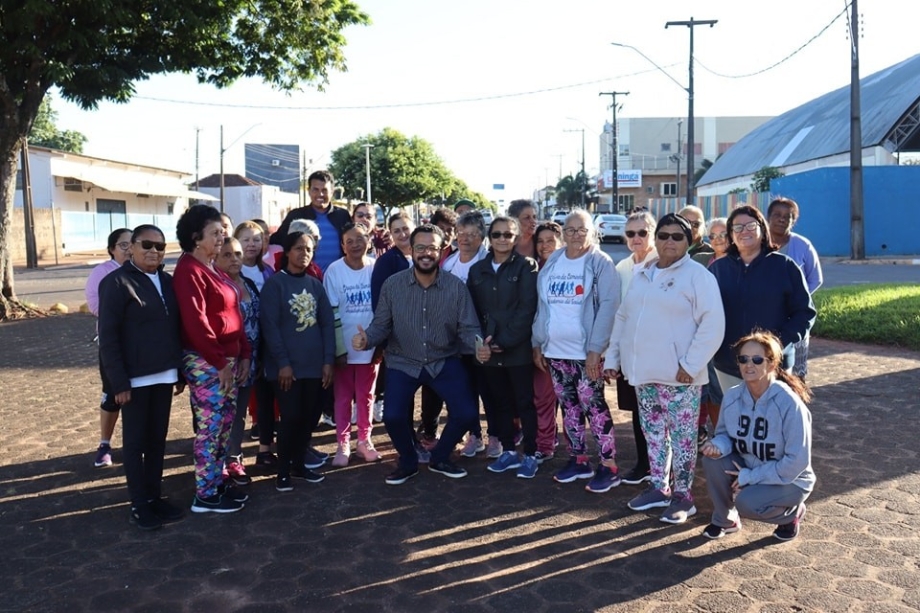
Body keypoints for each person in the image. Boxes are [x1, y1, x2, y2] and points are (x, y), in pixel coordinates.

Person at [605, 213, 725, 524]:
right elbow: (623, 318)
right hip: (644, 375)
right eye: (663, 235)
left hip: (680, 377)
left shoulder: (698, 276)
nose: (669, 241)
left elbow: (713, 325)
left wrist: (691, 364)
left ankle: (684, 497)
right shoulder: (643, 272)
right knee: (653, 435)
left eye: (677, 236)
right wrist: (613, 359)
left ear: (688, 241)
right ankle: (659, 487)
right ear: (656, 239)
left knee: (684, 439)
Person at [353, 224, 480, 485]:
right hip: (403, 360)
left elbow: (468, 328)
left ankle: (440, 457)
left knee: (467, 412)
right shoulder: (393, 285)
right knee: (393, 416)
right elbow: (380, 326)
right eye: (420, 247)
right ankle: (408, 461)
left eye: (432, 247)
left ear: (441, 251)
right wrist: (367, 339)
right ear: (411, 250)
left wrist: (479, 346)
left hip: (443, 359)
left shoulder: (455, 287)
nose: (426, 253)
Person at [98, 224, 185, 530]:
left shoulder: (167, 280)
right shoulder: (116, 282)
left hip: (164, 375)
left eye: (159, 247)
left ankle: (154, 496)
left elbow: (176, 327)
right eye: (146, 245)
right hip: (133, 380)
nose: (153, 251)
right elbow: (108, 338)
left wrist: (179, 372)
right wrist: (117, 383)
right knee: (135, 444)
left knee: (157, 441)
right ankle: (138, 503)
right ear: (131, 247)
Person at [532, 209, 621, 492]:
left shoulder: (599, 262)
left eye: (581, 230)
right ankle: (579, 459)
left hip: (586, 354)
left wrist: (596, 349)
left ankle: (609, 466)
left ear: (591, 232)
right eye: (569, 230)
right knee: (569, 409)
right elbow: (543, 304)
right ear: (562, 234)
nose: (575, 235)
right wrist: (538, 341)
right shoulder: (554, 260)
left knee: (594, 407)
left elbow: (609, 306)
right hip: (556, 351)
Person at [173, 204, 251, 514]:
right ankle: (204, 494)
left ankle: (216, 481)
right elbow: (196, 323)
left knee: (224, 424)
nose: (222, 237)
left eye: (223, 231)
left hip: (227, 359)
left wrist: (243, 353)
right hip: (207, 361)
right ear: (195, 237)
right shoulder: (188, 270)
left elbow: (232, 313)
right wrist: (219, 363)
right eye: (215, 233)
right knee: (210, 426)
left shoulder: (212, 267)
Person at [700, 330, 815, 541]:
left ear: (771, 364)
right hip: (749, 468)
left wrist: (751, 477)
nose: (748, 365)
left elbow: (796, 462)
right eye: (743, 359)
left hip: (791, 479)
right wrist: (717, 445)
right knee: (712, 461)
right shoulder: (733, 396)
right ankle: (725, 520)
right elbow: (726, 435)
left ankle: (790, 515)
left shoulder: (789, 404)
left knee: (747, 503)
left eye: (756, 359)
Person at [709, 206, 816, 393]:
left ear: (762, 229)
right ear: (731, 235)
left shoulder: (785, 267)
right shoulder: (717, 270)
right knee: (737, 419)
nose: (744, 231)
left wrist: (777, 343)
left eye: (751, 225)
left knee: (772, 419)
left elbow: (804, 313)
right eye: (738, 228)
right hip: (728, 365)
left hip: (773, 363)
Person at [261, 231, 336, 491]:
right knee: (290, 417)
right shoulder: (275, 285)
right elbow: (270, 327)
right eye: (298, 249)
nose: (304, 254)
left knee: (308, 418)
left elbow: (327, 323)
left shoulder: (315, 284)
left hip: (314, 366)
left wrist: (328, 361)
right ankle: (282, 471)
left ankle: (299, 465)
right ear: (288, 252)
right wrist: (282, 362)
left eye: (308, 249)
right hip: (287, 369)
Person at [468, 216, 540, 478]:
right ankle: (508, 451)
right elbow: (471, 311)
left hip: (516, 350)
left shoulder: (527, 267)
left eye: (508, 235)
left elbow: (526, 309)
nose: (502, 239)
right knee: (499, 404)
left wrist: (504, 341)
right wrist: (482, 342)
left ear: (517, 237)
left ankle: (531, 454)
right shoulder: (477, 270)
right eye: (497, 234)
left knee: (524, 403)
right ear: (490, 236)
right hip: (487, 351)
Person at [324, 223, 381, 466]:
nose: (356, 244)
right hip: (344, 350)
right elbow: (331, 312)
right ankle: (342, 444)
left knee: (366, 396)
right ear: (342, 245)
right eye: (350, 240)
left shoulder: (375, 267)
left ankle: (364, 441)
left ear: (368, 240)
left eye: (360, 238)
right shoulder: (334, 271)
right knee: (343, 397)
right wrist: (339, 349)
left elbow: (383, 307)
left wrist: (378, 343)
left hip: (370, 347)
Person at [432, 211, 489, 453]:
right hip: (453, 340)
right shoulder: (448, 263)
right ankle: (469, 434)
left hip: (482, 339)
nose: (464, 239)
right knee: (462, 389)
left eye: (471, 234)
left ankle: (489, 435)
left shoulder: (487, 262)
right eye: (460, 233)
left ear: (481, 236)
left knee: (486, 390)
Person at [612, 211, 657, 486]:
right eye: (631, 233)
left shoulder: (663, 264)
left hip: (657, 354)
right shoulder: (621, 268)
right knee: (638, 413)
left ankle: (663, 469)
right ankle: (643, 463)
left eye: (642, 232)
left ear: (652, 233)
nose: (636, 238)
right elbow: (617, 314)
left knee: (657, 414)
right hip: (630, 355)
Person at [214, 236, 260, 488]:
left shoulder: (250, 284)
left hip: (248, 360)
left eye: (238, 254)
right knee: (218, 415)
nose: (235, 259)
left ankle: (234, 458)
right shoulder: (215, 285)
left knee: (239, 413)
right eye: (228, 254)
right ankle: (216, 463)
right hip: (222, 363)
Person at [85, 227, 132, 468]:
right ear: (112, 249)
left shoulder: (142, 271)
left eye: (132, 244)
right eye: (123, 245)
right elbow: (95, 305)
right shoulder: (102, 272)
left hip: (139, 347)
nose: (128, 249)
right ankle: (104, 444)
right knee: (113, 395)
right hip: (112, 345)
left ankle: (137, 444)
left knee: (138, 398)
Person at [766, 197, 823, 379]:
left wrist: (797, 301)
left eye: (788, 216)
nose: (782, 219)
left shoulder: (802, 245)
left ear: (793, 221)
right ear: (768, 218)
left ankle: (796, 400)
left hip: (794, 316)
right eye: (777, 215)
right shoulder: (758, 244)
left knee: (796, 369)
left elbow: (815, 278)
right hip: (765, 315)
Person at [369, 211, 416, 426]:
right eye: (396, 230)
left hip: (432, 338)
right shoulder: (386, 262)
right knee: (401, 396)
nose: (403, 234)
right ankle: (405, 442)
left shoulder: (427, 255)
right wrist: (387, 340)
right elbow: (379, 304)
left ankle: (428, 433)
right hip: (399, 340)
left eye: (406, 228)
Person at [270, 170, 351, 271]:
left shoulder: (342, 215)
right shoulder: (296, 215)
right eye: (315, 189)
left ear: (332, 192)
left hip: (336, 278)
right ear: (309, 191)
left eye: (324, 190)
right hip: (306, 279)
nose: (320, 194)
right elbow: (277, 241)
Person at [531, 221, 564, 462]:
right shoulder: (532, 269)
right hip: (541, 344)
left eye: (550, 240)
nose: (544, 246)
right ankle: (545, 443)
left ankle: (578, 450)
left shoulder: (572, 267)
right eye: (540, 241)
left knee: (574, 401)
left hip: (573, 348)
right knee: (542, 397)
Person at [234, 221, 273, 292]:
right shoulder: (231, 271)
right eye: (246, 240)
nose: (251, 244)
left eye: (256, 240)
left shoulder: (268, 271)